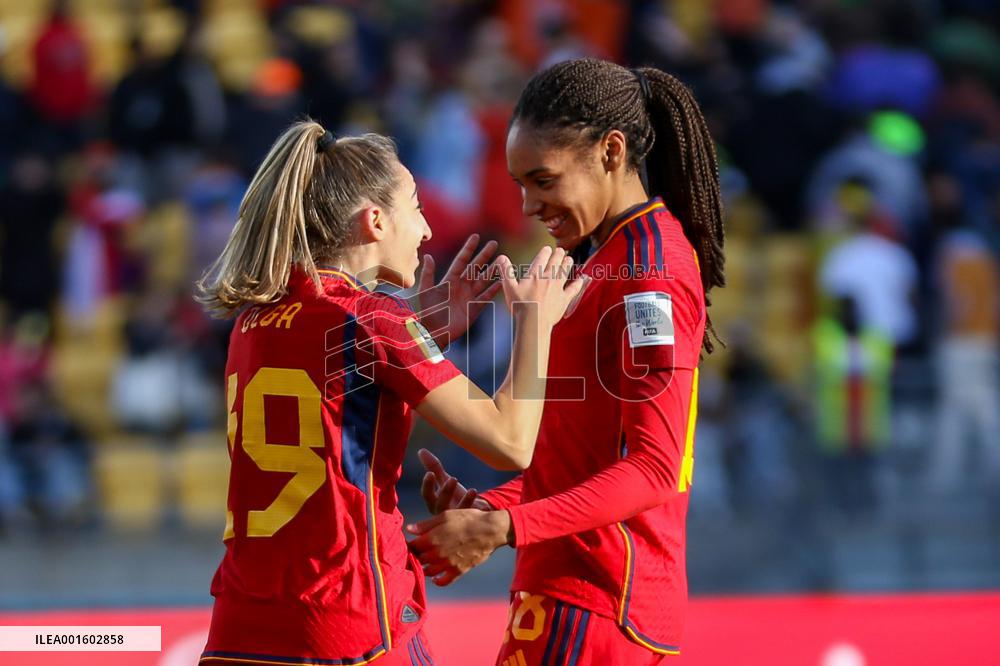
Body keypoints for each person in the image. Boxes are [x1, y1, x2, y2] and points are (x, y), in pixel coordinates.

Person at [195, 120, 584, 666]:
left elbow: (337, 399)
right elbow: (511, 443)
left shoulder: (255, 319)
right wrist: (534, 322)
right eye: (415, 206)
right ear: (375, 221)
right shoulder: (373, 321)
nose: (426, 230)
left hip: (241, 627)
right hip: (345, 625)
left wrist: (420, 332)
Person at [407, 57, 725, 664]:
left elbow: (655, 469)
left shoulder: (646, 274)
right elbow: (585, 459)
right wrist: (492, 508)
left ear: (610, 152)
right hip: (569, 591)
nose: (527, 204)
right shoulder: (604, 258)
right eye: (520, 184)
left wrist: (505, 529)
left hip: (597, 601)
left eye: (543, 180)